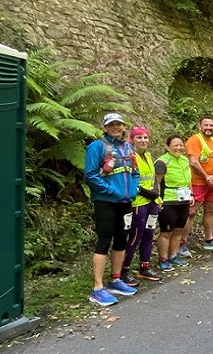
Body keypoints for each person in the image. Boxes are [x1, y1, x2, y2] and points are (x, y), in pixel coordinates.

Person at [84, 113, 139, 306]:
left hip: (125, 201)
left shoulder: (128, 147)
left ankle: (115, 279)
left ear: (124, 127)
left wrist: (132, 191)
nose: (116, 127)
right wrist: (112, 191)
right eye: (112, 124)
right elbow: (90, 175)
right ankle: (97, 288)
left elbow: (135, 172)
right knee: (104, 240)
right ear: (105, 127)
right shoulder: (97, 147)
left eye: (119, 124)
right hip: (106, 201)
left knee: (122, 239)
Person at [121, 126, 162, 286]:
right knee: (135, 236)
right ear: (132, 140)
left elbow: (153, 179)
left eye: (145, 138)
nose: (143, 141)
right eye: (139, 138)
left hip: (152, 203)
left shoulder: (148, 156)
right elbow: (131, 180)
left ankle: (144, 267)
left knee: (149, 234)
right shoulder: (131, 157)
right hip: (138, 202)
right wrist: (148, 193)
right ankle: (124, 271)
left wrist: (156, 194)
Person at [184, 116, 213, 252]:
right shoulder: (195, 140)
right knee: (191, 211)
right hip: (197, 182)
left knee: (210, 210)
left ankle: (209, 239)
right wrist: (205, 176)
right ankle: (182, 243)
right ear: (199, 126)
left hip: (212, 182)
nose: (209, 128)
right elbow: (193, 161)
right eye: (206, 125)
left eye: (211, 125)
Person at [154, 135, 193, 272]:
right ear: (167, 147)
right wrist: (158, 200)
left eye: (181, 145)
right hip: (168, 201)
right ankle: (163, 259)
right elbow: (156, 183)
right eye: (175, 145)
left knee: (178, 230)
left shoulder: (184, 160)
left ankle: (173, 255)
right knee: (166, 232)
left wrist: (191, 194)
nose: (178, 148)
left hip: (184, 200)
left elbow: (188, 180)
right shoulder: (162, 162)